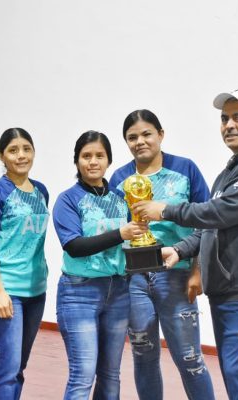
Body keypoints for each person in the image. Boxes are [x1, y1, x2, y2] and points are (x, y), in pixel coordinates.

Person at [131, 88, 238, 399]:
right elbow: (211, 227)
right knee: (234, 372)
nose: (229, 125)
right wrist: (180, 249)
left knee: (234, 373)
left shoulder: (191, 170)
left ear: (161, 135)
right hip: (226, 291)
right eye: (224, 119)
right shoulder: (229, 171)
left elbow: (216, 213)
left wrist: (165, 210)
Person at [109, 109, 214, 400]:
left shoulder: (185, 169)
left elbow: (208, 223)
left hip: (177, 275)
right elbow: (115, 229)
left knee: (190, 358)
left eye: (146, 134)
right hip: (134, 280)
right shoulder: (119, 178)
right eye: (132, 137)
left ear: (161, 135)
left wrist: (197, 271)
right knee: (143, 358)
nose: (140, 142)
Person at [53, 131, 148, 400]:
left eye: (99, 155)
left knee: (110, 374)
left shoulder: (122, 198)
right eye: (86, 156)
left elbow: (133, 242)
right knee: (83, 374)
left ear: (109, 160)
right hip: (79, 293)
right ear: (77, 161)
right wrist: (120, 233)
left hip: (118, 291)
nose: (93, 161)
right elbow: (74, 246)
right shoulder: (68, 199)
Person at [0, 127, 49, 400]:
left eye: (26, 149)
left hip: (36, 291)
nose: (21, 155)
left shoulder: (41, 191)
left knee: (18, 367)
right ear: (1, 156)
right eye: (13, 150)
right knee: (7, 367)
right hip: (5, 291)